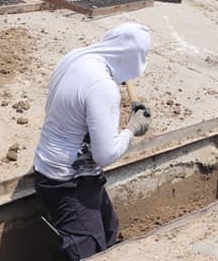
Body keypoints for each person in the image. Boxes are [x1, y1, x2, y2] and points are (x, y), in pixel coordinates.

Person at [33, 22, 153, 261]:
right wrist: (131, 129)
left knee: (109, 229)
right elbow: (105, 155)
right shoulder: (103, 87)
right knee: (88, 251)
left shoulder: (75, 58)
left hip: (54, 163)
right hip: (67, 180)